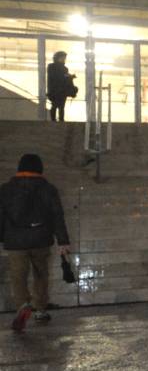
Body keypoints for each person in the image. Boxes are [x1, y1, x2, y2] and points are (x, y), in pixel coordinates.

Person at [2, 153, 72, 332]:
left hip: (15, 241)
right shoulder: (48, 189)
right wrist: (63, 241)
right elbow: (57, 215)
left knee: (18, 276)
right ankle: (40, 310)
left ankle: (23, 305)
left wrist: (3, 237)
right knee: (41, 275)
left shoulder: (6, 189)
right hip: (41, 239)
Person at [46, 51, 77, 122]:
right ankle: (54, 120)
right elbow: (55, 77)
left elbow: (64, 77)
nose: (63, 59)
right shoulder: (51, 66)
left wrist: (69, 77)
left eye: (64, 58)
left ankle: (61, 120)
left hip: (62, 90)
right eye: (62, 58)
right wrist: (67, 76)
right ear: (57, 58)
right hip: (55, 90)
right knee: (55, 105)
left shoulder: (64, 68)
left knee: (61, 106)